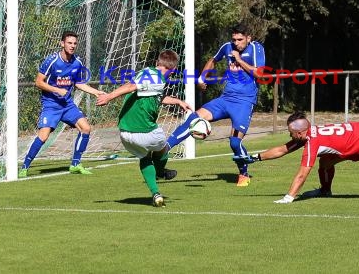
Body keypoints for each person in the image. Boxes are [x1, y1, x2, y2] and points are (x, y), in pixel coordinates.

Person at [164, 23, 266, 186]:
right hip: (225, 99)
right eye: (234, 39)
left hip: (244, 102)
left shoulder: (256, 49)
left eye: (240, 40)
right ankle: (163, 151)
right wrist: (202, 78)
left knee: (234, 142)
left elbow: (260, 74)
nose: (236, 43)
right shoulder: (227, 47)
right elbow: (213, 60)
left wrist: (239, 59)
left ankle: (244, 174)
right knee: (193, 119)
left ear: (248, 38)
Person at [96, 50, 192, 207]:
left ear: (157, 63)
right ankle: (160, 171)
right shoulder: (153, 76)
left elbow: (156, 96)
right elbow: (131, 86)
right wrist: (108, 97)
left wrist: (177, 101)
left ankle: (156, 194)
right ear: (173, 70)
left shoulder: (154, 78)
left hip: (125, 134)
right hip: (145, 131)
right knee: (164, 148)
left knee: (146, 157)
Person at [19, 31, 105, 178]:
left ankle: (76, 164)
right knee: (44, 136)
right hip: (51, 104)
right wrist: (56, 89)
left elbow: (78, 83)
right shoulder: (52, 60)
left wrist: (96, 92)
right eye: (69, 43)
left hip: (67, 105)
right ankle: (25, 166)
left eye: (74, 43)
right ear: (62, 43)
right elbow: (38, 82)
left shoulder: (77, 62)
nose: (72, 46)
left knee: (85, 128)